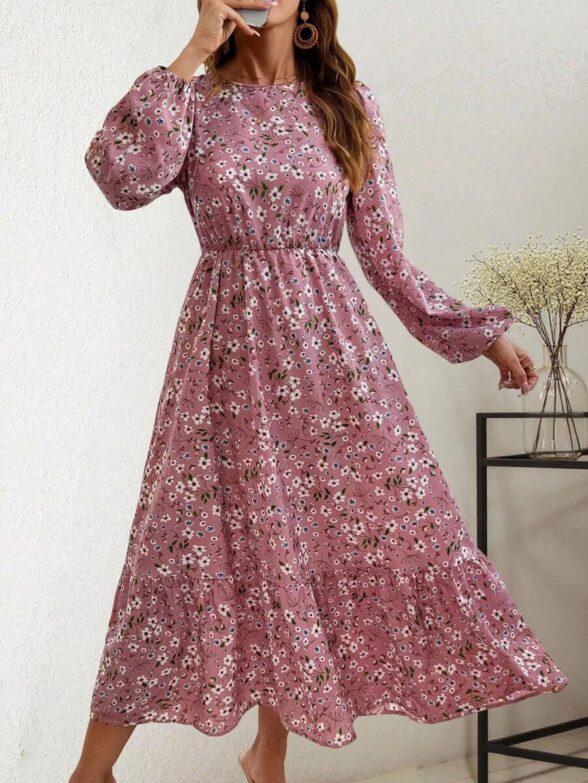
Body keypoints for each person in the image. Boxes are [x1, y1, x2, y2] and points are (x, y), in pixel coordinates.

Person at [71, 1, 569, 781]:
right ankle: (90, 772)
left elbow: (385, 256)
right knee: (178, 549)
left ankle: (267, 756)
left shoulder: (345, 104)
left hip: (331, 362)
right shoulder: (194, 102)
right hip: (222, 364)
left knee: (308, 547)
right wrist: (193, 49)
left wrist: (479, 334)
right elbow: (120, 176)